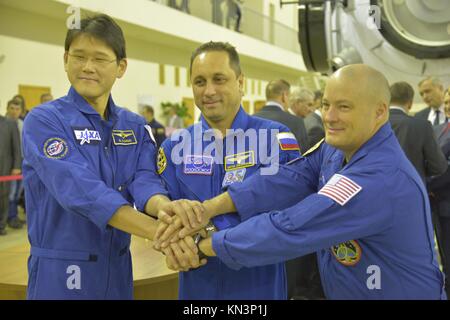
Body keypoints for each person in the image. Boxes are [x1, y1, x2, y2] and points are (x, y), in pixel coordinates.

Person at [160, 64, 447, 299]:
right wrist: (207, 209)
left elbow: (289, 228)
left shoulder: (378, 179)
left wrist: (199, 246)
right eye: (326, 105)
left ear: (380, 111)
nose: (330, 117)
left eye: (344, 107)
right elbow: (287, 178)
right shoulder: (336, 147)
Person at [22, 14, 202, 300]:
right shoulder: (45, 121)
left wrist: (164, 208)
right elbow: (81, 190)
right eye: (79, 56)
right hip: (62, 274)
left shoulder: (134, 125)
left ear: (121, 67)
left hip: (117, 269)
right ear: (66, 59)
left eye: (100, 59)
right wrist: (160, 232)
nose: (88, 67)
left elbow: (144, 180)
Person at [155, 41, 300, 299]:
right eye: (200, 82)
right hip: (197, 285)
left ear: (240, 81)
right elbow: (165, 217)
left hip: (258, 286)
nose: (209, 91)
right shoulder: (174, 147)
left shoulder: (275, 138)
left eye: (219, 79)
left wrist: (210, 232)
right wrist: (174, 246)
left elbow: (286, 210)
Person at [254, 79, 318, 298]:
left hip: (250, 203)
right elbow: (301, 167)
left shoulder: (249, 122)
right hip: (284, 205)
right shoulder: (295, 122)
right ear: (284, 97)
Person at [388, 81, 447, 183]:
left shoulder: (371, 124)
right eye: (421, 94)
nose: (425, 96)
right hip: (413, 187)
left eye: (427, 91)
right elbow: (438, 166)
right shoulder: (420, 121)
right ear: (410, 103)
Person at [429, 88, 450, 298]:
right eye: (446, 100)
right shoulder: (439, 129)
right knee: (445, 255)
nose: (448, 104)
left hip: (443, 196)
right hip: (439, 205)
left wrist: (429, 186)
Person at [254, 79, 309, 153]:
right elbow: (303, 155)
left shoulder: (250, 120)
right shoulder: (296, 122)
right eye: (289, 97)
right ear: (284, 96)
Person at [0, 102, 22, 236]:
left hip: (5, 168)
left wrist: (16, 166)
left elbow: (16, 147)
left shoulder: (9, 123)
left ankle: (1, 224)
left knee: (3, 196)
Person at [5, 99, 25, 229]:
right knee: (10, 193)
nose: (14, 111)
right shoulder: (4, 124)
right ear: (7, 108)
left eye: (17, 109)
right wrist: (14, 165)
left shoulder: (22, 123)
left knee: (18, 192)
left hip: (23, 162)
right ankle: (10, 217)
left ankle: (15, 216)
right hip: (10, 164)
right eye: (12, 108)